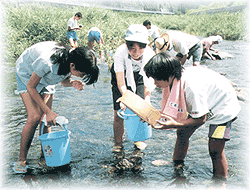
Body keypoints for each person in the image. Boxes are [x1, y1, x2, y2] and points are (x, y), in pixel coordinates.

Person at [143, 52, 240, 180]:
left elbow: (201, 119)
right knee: (182, 133)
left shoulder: (191, 87)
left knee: (215, 149)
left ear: (169, 75)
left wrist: (175, 124)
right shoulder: (174, 79)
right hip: (206, 100)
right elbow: (170, 109)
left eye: (157, 79)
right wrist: (148, 114)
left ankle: (220, 182)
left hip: (223, 106)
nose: (155, 83)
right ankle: (177, 166)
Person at [13, 41, 99, 173]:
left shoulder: (72, 59)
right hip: (27, 73)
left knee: (45, 119)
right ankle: (21, 160)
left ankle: (45, 156)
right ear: (73, 65)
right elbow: (31, 86)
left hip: (45, 77)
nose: (81, 76)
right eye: (81, 74)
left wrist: (72, 83)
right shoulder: (47, 62)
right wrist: (48, 111)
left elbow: (63, 79)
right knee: (35, 116)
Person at [110, 24, 155, 172]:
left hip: (141, 76)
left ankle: (138, 142)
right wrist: (125, 97)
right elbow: (121, 81)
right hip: (121, 76)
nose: (136, 53)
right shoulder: (120, 53)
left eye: (140, 48)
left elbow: (150, 81)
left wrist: (146, 100)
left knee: (140, 109)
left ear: (145, 45)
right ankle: (118, 145)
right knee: (119, 111)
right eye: (132, 48)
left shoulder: (149, 55)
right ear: (126, 44)